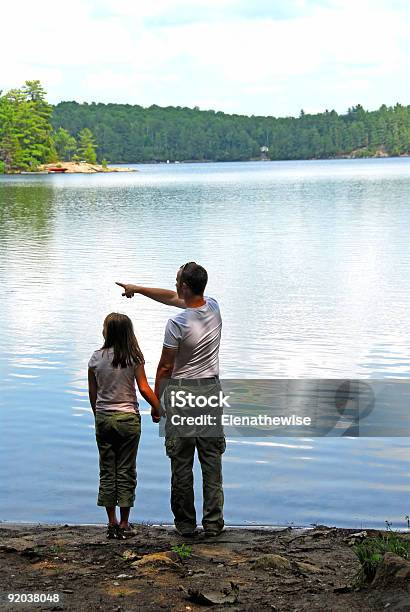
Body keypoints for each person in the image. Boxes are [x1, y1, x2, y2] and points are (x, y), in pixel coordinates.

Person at [116, 262, 225, 537]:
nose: (175, 285)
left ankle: (186, 525)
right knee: (211, 461)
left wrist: (157, 403)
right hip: (210, 392)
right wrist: (138, 289)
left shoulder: (177, 324)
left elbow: (165, 368)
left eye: (177, 281)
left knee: (181, 461)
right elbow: (172, 298)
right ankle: (213, 524)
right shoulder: (212, 306)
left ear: (185, 286)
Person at [88, 312, 161, 540]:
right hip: (128, 419)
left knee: (107, 470)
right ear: (128, 333)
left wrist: (98, 414)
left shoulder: (96, 358)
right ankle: (124, 523)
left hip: (104, 419)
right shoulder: (133, 357)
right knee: (126, 470)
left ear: (106, 331)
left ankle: (111, 522)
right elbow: (144, 388)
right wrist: (159, 408)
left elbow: (93, 393)